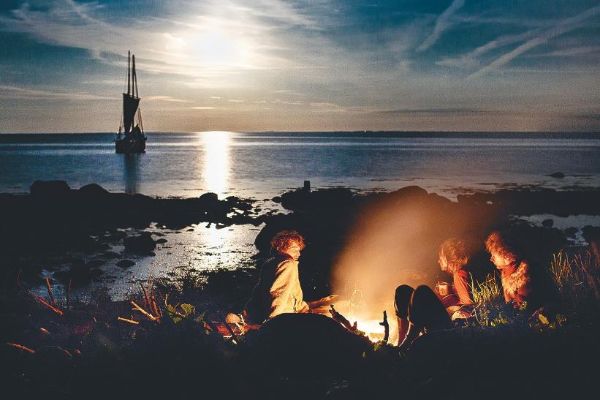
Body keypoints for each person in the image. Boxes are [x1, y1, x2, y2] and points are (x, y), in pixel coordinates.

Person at [244, 230, 310, 324]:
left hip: (279, 311)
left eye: (299, 250)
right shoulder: (289, 264)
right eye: (294, 249)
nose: (298, 254)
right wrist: (273, 321)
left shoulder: (269, 263)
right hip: (287, 314)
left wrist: (248, 313)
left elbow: (258, 290)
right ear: (280, 248)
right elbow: (279, 292)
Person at [485, 230, 543, 310]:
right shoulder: (507, 271)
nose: (491, 259)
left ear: (507, 256)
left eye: (494, 256)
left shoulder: (526, 276)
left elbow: (522, 310)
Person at [438, 238, 475, 319]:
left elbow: (468, 305)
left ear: (449, 259)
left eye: (441, 258)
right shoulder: (461, 271)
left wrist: (447, 310)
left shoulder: (459, 275)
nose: (438, 261)